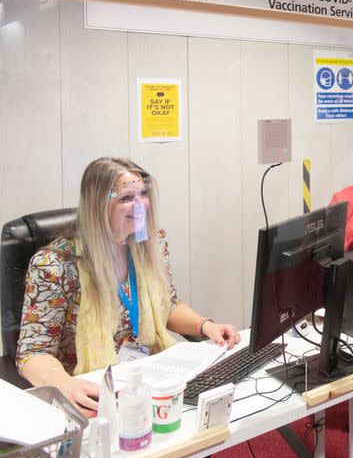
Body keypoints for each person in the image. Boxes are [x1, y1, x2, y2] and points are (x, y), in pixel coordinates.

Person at [16, 157, 240, 418]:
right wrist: (64, 385)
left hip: (147, 379)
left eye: (143, 194)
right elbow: (32, 353)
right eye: (126, 198)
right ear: (97, 205)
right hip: (92, 393)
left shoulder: (151, 245)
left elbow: (167, 307)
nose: (140, 204)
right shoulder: (55, 265)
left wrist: (206, 327)